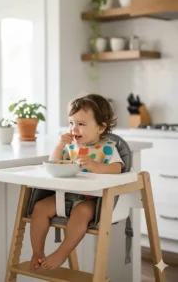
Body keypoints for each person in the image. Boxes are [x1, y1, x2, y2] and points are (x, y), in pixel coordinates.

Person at [29, 93, 124, 271]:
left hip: (91, 200)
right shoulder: (70, 148)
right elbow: (53, 164)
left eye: (81, 124)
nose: (74, 128)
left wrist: (97, 166)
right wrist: (59, 147)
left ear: (101, 128)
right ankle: (37, 252)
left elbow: (118, 168)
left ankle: (62, 252)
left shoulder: (108, 148)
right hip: (65, 197)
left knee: (80, 214)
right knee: (40, 207)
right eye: (71, 123)